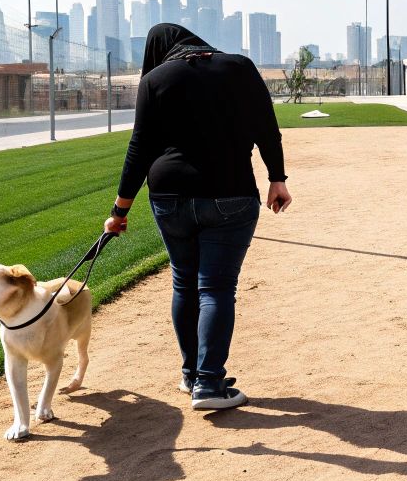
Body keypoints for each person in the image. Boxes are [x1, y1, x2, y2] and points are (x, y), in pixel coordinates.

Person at [105, 23, 292, 410]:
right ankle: (208, 384)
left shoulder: (156, 78)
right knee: (217, 288)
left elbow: (138, 148)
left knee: (184, 283)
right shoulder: (240, 67)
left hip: (169, 195)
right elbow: (266, 129)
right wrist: (277, 178)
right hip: (230, 192)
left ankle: (191, 374)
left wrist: (118, 212)